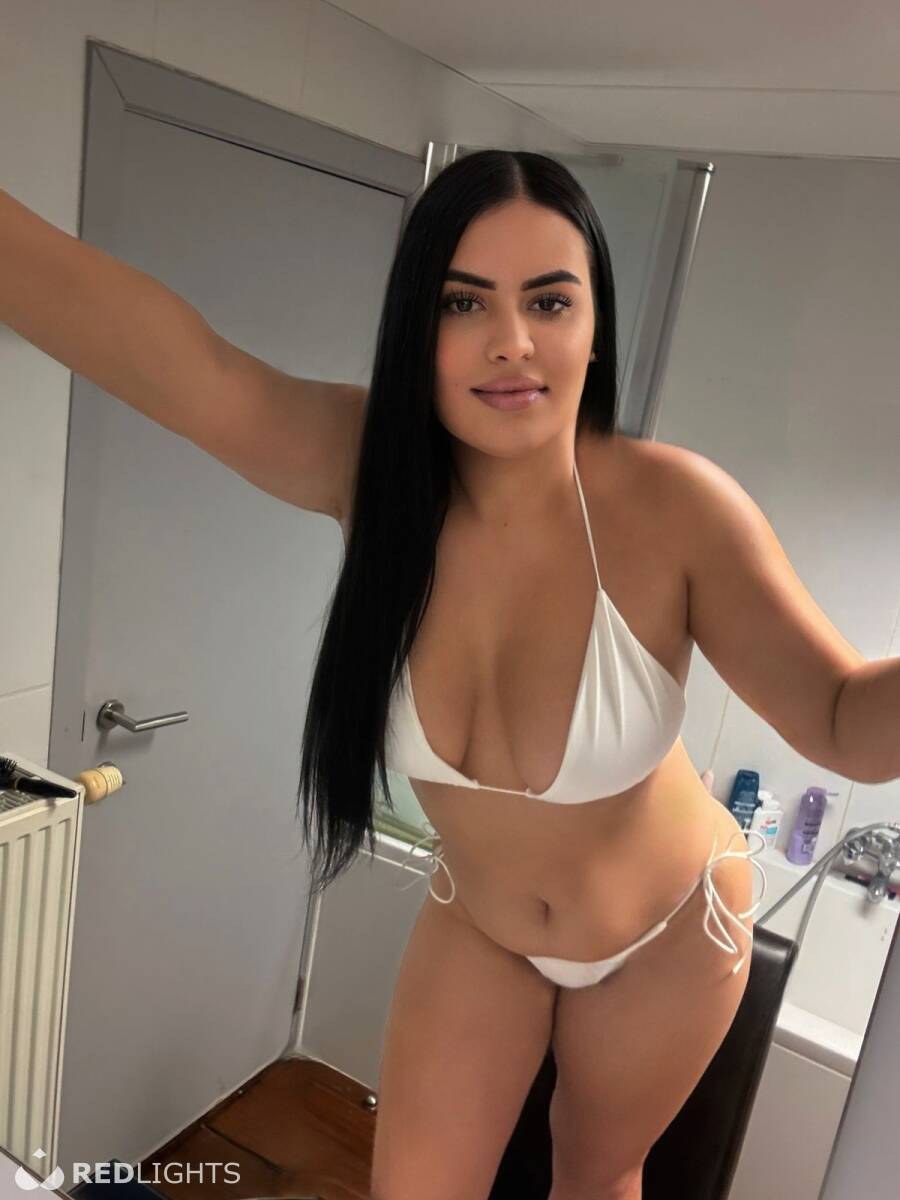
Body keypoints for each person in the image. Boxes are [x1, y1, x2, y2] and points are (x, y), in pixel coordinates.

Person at [1, 149, 873, 1200]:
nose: (511, 341)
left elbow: (840, 715)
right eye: (465, 302)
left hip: (667, 929)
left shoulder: (673, 508)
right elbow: (190, 367)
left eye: (549, 300)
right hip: (483, 920)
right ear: (419, 323)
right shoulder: (368, 468)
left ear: (596, 327)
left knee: (596, 1179)